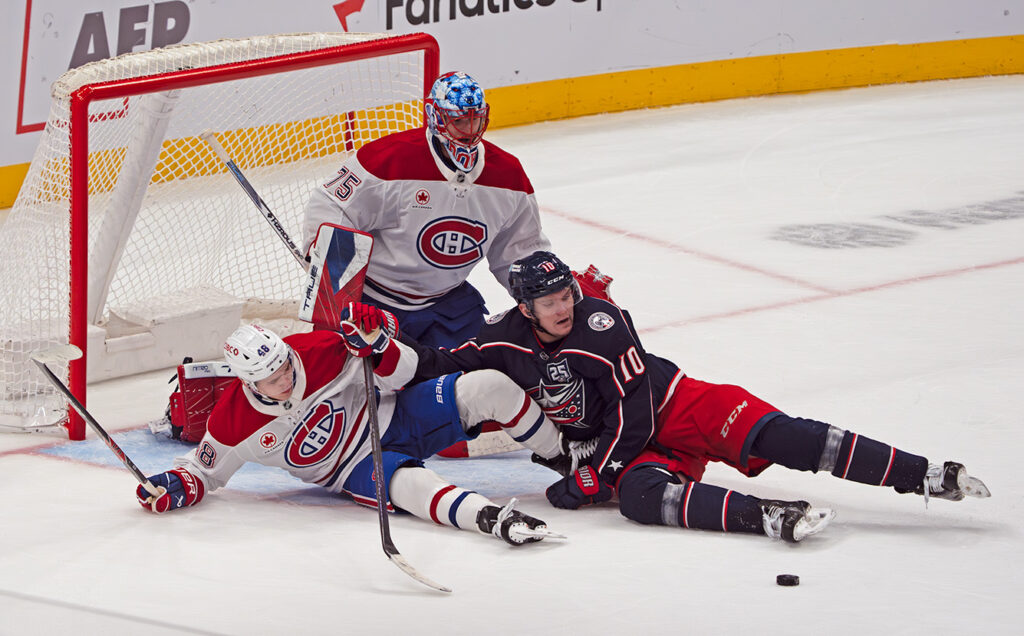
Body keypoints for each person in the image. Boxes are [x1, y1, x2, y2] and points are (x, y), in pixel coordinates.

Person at [406, 251, 991, 543]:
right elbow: (443, 363)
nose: (565, 307)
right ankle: (769, 518)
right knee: (638, 498)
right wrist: (388, 349)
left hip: (678, 404)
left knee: (786, 437)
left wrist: (596, 473)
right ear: (524, 308)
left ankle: (924, 474)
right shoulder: (505, 337)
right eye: (551, 302)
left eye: (567, 295)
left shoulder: (602, 323)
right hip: (625, 446)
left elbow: (634, 410)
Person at [135, 306, 566, 546]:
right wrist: (175, 485)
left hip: (397, 410)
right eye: (273, 378)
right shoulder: (232, 422)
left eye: (285, 365)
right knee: (412, 485)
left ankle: (571, 460)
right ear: (249, 382)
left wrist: (378, 344)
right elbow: (204, 470)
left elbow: (406, 374)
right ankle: (493, 520)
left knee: (488, 385)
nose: (286, 378)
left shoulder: (321, 349)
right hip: (352, 466)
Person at [301, 71, 551, 349]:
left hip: (448, 304)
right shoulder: (387, 161)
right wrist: (325, 254)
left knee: (479, 377)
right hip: (373, 304)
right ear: (435, 116)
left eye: (475, 118)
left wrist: (548, 294)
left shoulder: (509, 176)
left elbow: (519, 251)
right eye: (459, 121)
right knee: (359, 381)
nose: (470, 130)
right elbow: (333, 204)